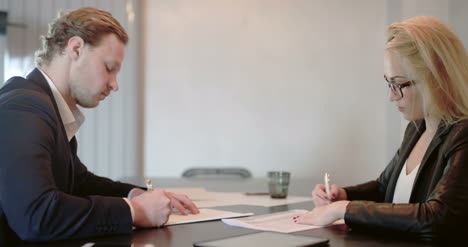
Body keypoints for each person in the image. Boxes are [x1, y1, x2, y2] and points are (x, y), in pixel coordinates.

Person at [0, 7, 199, 244]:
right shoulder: (23, 108)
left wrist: (137, 194)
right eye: (109, 67)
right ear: (76, 49)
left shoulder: (45, 105)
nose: (115, 85)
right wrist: (135, 211)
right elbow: (37, 217)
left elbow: (79, 181)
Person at [295, 16, 468, 241]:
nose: (391, 96)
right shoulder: (417, 129)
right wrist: (343, 196)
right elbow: (385, 188)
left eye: (399, 84)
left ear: (435, 77)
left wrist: (343, 209)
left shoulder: (462, 135)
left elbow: (436, 218)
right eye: (389, 83)